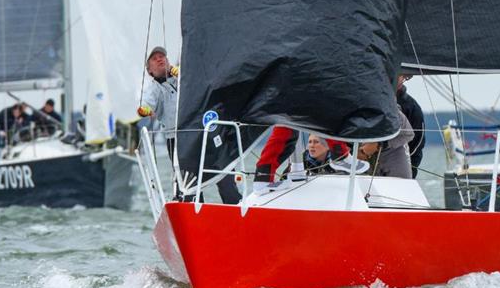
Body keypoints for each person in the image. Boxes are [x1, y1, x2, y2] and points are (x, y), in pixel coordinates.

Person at [138, 46, 240, 204]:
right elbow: (147, 105)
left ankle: (235, 207)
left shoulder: (184, 77)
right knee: (188, 187)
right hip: (178, 140)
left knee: (224, 174)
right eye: (154, 58)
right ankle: (193, 214)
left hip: (203, 134)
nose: (160, 59)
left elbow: (205, 82)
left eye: (162, 56)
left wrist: (184, 76)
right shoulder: (154, 89)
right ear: (149, 71)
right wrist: (144, 110)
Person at [254, 126, 358, 188]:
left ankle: (261, 180)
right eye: (310, 142)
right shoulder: (300, 162)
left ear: (327, 146)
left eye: (316, 142)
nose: (312, 145)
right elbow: (284, 178)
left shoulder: (339, 169)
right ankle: (262, 179)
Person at [357, 109, 414, 179]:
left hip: (394, 160)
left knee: (401, 185)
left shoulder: (394, 113)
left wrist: (379, 144)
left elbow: (409, 134)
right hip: (365, 164)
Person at [396, 74, 425, 178]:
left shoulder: (412, 107)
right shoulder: (369, 100)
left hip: (405, 161)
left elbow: (417, 142)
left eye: (398, 75)